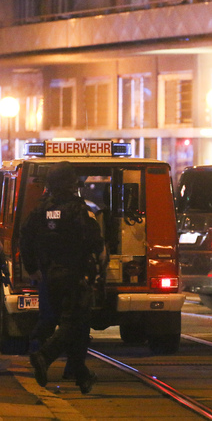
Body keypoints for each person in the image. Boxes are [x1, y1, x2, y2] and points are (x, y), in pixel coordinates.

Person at [21, 161, 106, 394]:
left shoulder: (40, 210)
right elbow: (96, 244)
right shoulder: (79, 209)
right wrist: (100, 275)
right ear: (71, 184)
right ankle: (44, 357)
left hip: (49, 277)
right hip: (74, 276)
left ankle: (80, 374)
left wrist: (31, 268)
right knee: (75, 322)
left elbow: (25, 237)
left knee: (70, 324)